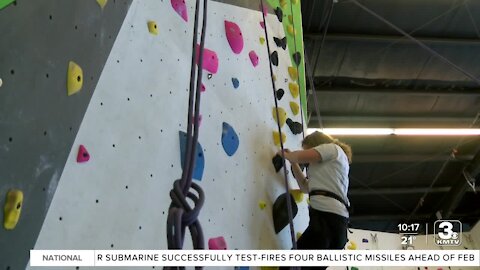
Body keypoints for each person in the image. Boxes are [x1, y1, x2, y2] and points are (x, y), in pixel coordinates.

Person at [277, 131, 352, 270]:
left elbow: (302, 156)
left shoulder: (332, 149)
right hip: (336, 226)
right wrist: (293, 162)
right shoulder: (328, 168)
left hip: (327, 220)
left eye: (308, 148)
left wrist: (288, 155)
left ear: (316, 145)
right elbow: (305, 187)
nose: (309, 160)